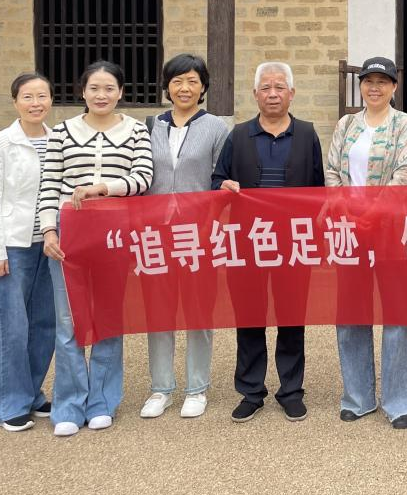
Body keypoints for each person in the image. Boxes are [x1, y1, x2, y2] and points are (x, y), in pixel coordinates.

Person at [38, 60, 154, 437]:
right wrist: (49, 231)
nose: (101, 95)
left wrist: (104, 189)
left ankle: (102, 401)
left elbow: (143, 178)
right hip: (69, 236)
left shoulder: (136, 130)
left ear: (121, 93)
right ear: (82, 92)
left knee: (108, 318)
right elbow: (49, 184)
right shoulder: (61, 133)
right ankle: (69, 404)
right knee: (68, 320)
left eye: (109, 88)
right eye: (94, 88)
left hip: (114, 235)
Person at [212, 61, 324, 423]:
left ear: (292, 93)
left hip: (293, 245)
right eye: (266, 88)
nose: (273, 94)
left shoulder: (307, 134)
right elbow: (216, 181)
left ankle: (291, 391)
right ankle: (251, 391)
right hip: (248, 244)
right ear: (255, 94)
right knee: (249, 317)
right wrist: (223, 187)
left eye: (279, 87)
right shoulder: (238, 135)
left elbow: (320, 190)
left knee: (291, 317)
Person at [325, 56, 407, 429]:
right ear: (361, 86)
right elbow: (332, 170)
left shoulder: (403, 123)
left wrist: (372, 212)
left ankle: (401, 401)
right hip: (349, 231)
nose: (375, 88)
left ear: (394, 87)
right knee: (351, 313)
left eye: (383, 81)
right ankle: (358, 397)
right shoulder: (347, 124)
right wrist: (348, 210)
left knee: (396, 314)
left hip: (391, 230)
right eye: (369, 81)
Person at [139, 54, 229, 421]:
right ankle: (161, 388)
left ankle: (196, 387)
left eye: (192, 81)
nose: (184, 88)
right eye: (177, 81)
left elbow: (220, 178)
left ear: (203, 86)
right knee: (158, 312)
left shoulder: (217, 128)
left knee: (198, 311)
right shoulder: (149, 126)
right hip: (155, 233)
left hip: (197, 234)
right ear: (167, 86)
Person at [0, 72, 56, 432]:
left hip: (49, 244)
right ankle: (7, 404)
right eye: (27, 97)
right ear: (15, 102)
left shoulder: (58, 140)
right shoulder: (0, 143)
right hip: (12, 245)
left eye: (42, 96)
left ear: (51, 100)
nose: (35, 103)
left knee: (44, 323)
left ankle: (31, 393)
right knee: (11, 326)